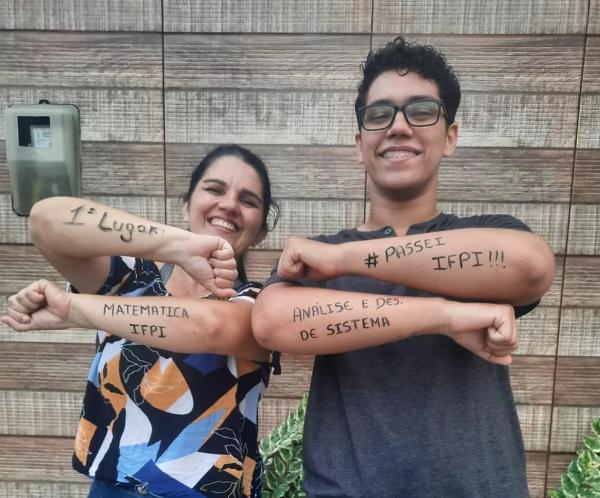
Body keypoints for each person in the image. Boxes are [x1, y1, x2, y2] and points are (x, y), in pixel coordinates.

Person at [251, 37, 555, 498]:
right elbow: (271, 321)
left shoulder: (485, 233)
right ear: (360, 144)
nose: (398, 127)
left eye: (420, 110)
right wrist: (445, 317)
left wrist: (343, 260)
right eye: (380, 114)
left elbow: (532, 267)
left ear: (449, 136)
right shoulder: (317, 255)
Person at [1, 144, 280, 498]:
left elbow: (209, 326)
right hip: (112, 486)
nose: (229, 204)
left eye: (249, 200)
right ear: (186, 204)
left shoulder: (261, 304)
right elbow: (44, 220)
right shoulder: (133, 278)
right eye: (214, 189)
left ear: (260, 232)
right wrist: (175, 246)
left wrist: (75, 308)